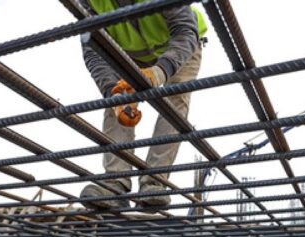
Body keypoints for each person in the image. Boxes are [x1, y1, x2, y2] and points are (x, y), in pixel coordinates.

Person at [78, 0, 208, 209]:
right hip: (130, 54)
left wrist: (160, 72)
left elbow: (184, 31)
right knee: (116, 102)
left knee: (175, 101)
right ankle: (115, 183)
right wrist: (112, 90)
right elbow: (93, 48)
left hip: (181, 45)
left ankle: (155, 183)